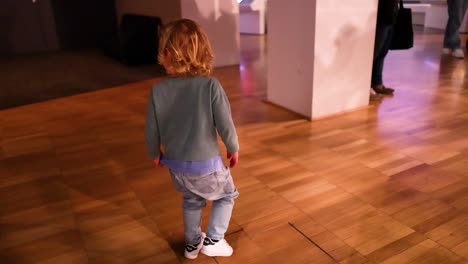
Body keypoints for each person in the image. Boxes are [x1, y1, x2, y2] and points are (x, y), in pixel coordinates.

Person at [145, 19, 239, 259]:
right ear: (204, 52)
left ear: (165, 54)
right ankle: (214, 240)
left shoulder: (158, 90)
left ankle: (192, 245)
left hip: (176, 165)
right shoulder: (210, 86)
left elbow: (151, 128)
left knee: (191, 200)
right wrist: (233, 148)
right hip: (206, 164)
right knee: (226, 195)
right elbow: (225, 123)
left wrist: (155, 152)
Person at [371, 0, 399, 99]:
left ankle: (377, 83)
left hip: (390, 15)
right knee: (374, 53)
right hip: (381, 15)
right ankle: (366, 86)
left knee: (382, 52)